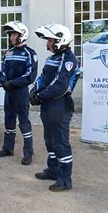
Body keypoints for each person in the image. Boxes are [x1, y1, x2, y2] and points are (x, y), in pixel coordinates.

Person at [29, 24, 80, 192]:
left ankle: (65, 180)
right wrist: (33, 91)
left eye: (50, 40)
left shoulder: (69, 59)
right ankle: (52, 170)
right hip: (48, 104)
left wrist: (39, 96)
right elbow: (43, 77)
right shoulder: (52, 58)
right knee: (49, 140)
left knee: (60, 142)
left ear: (60, 40)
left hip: (60, 105)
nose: (47, 44)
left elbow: (60, 85)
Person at [0, 21, 38, 165]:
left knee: (24, 122)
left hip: (21, 93)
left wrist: (12, 83)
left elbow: (30, 76)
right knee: (9, 120)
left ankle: (28, 153)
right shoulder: (9, 52)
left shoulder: (30, 53)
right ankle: (8, 148)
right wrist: (3, 80)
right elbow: (2, 70)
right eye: (10, 34)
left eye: (13, 34)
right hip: (9, 93)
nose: (11, 37)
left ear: (21, 35)